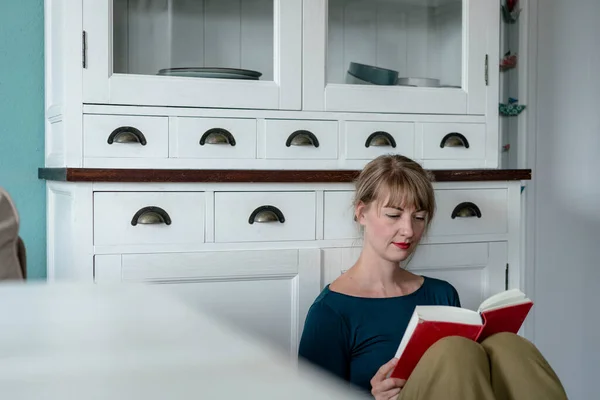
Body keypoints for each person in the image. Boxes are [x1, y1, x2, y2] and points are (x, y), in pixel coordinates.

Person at [298, 154, 567, 400]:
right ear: (361, 213)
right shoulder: (331, 311)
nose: (408, 230)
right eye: (394, 215)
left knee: (508, 344)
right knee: (454, 351)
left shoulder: (441, 294)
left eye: (419, 217)